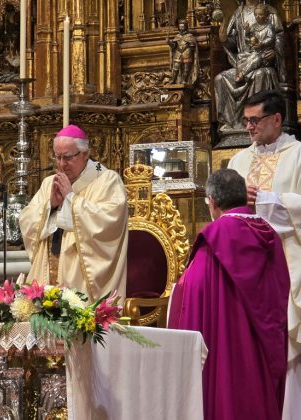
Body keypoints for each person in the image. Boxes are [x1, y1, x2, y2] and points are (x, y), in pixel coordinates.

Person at [168, 168, 289, 420]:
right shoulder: (270, 235)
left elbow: (193, 289)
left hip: (225, 344)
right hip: (261, 342)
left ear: (212, 202)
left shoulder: (216, 237)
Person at [227, 89, 301, 420]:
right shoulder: (238, 161)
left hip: (287, 262)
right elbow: (219, 208)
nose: (249, 128)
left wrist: (268, 200)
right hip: (245, 269)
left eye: (255, 120)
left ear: (276, 119)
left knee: (287, 347)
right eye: (245, 121)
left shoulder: (299, 155)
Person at [19, 125, 128, 302]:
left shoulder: (107, 180)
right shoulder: (49, 183)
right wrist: (51, 205)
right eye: (58, 157)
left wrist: (71, 199)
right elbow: (27, 219)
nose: (62, 164)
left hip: (81, 276)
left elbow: (109, 222)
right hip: (47, 270)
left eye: (68, 157)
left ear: (85, 154)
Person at [214, 0, 285, 131]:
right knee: (220, 79)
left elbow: (279, 37)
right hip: (243, 61)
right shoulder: (238, 14)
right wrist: (224, 36)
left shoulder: (270, 12)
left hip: (262, 61)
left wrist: (274, 51)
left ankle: (259, 123)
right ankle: (232, 124)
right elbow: (232, 43)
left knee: (260, 75)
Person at [236, 4, 276, 84]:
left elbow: (271, 38)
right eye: (256, 14)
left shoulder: (269, 26)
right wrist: (247, 32)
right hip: (254, 51)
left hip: (264, 53)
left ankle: (242, 74)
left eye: (260, 14)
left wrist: (261, 43)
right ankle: (239, 73)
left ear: (266, 15)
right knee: (240, 56)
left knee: (256, 58)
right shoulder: (253, 27)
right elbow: (248, 40)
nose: (258, 16)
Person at [167, 19, 199, 85]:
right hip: (178, 52)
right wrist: (169, 42)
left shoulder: (190, 36)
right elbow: (173, 46)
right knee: (176, 66)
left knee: (186, 67)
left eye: (183, 27)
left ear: (186, 27)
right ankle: (173, 80)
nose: (181, 28)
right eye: (180, 27)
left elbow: (193, 47)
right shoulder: (177, 36)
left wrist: (191, 44)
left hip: (187, 52)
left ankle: (184, 80)